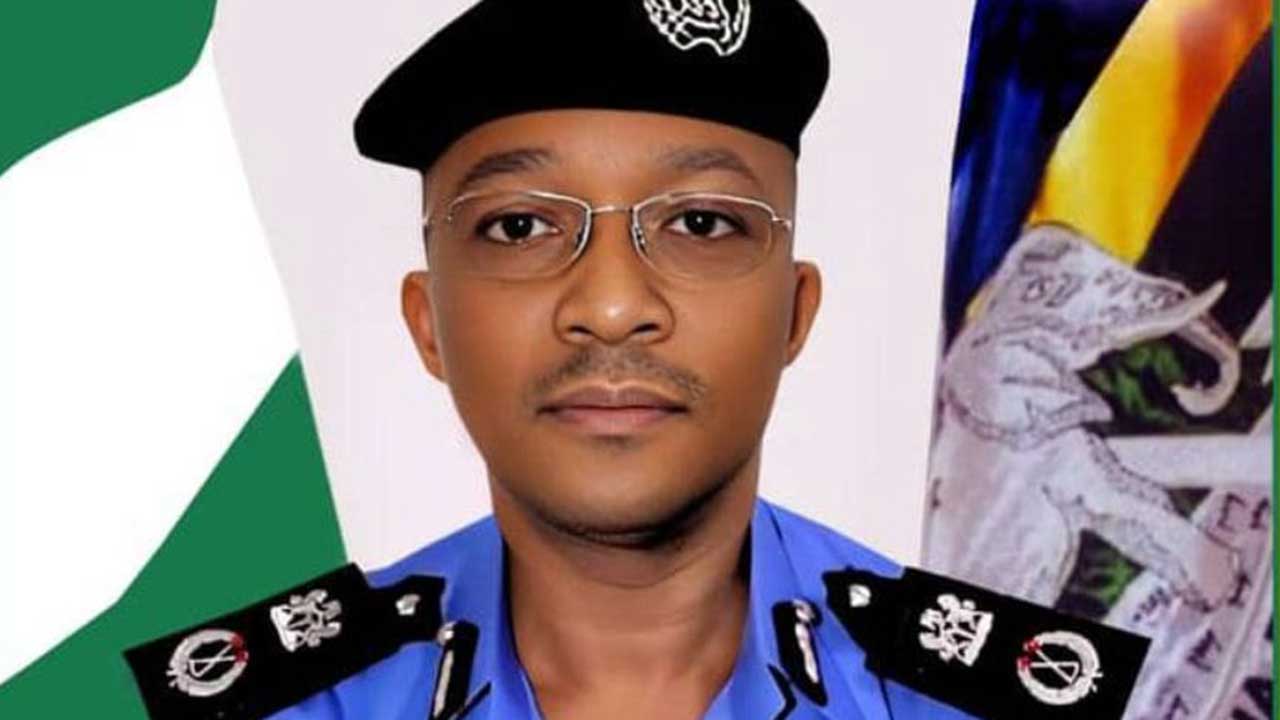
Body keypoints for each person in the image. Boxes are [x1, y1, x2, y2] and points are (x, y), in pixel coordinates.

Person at [123, 1, 1151, 718]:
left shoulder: (998, 701)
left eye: (701, 222)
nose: (611, 307)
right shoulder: (273, 702)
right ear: (428, 324)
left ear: (794, 314)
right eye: (520, 226)